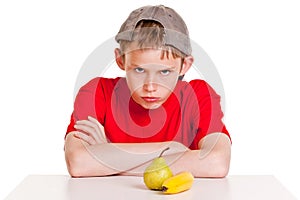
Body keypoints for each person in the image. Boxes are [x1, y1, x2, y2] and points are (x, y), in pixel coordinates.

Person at [64, 5, 231, 178]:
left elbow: (217, 163)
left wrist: (108, 156)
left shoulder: (198, 95)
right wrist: (173, 149)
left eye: (165, 72)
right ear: (121, 60)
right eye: (139, 70)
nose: (150, 86)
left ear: (185, 65)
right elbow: (78, 163)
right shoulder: (97, 92)